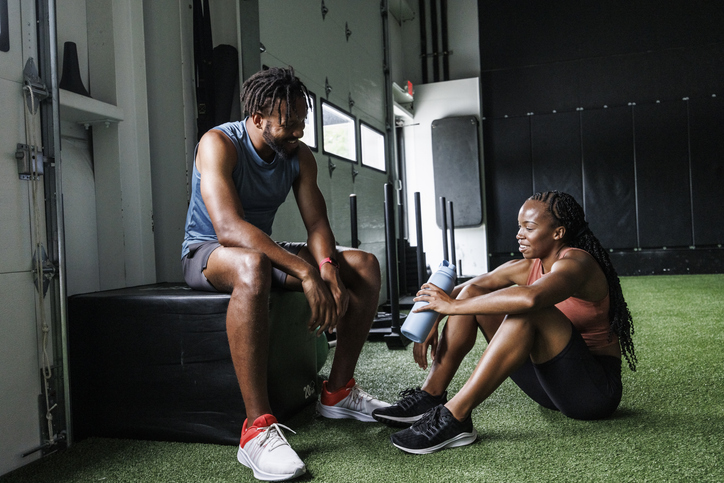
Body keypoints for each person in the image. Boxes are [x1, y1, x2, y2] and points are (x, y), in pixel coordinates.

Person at [182, 66, 389, 481]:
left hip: (263, 250)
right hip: (210, 251)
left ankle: (337, 391)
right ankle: (256, 431)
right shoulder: (218, 143)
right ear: (257, 118)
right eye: (288, 125)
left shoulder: (298, 156)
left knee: (363, 267)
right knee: (253, 264)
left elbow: (316, 225)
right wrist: (306, 274)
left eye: (301, 124)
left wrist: (327, 268)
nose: (297, 134)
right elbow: (228, 228)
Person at [372, 191, 637, 454]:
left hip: (594, 393)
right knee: (473, 293)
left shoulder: (578, 263)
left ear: (558, 233)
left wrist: (452, 307)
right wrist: (433, 316)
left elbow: (531, 298)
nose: (519, 234)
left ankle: (456, 417)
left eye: (529, 227)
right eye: (519, 226)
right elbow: (469, 288)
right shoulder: (528, 266)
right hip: (550, 387)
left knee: (529, 309)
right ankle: (430, 396)